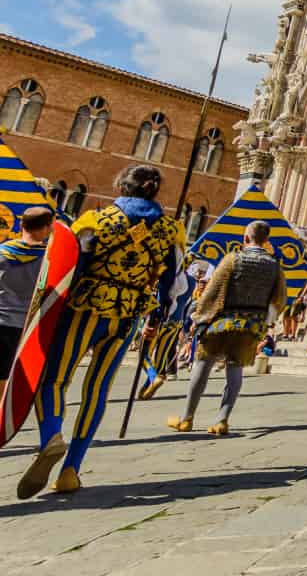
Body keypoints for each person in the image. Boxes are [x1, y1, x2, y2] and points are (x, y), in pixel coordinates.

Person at [16, 164, 182, 498]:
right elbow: (173, 282)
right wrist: (158, 319)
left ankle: (51, 436)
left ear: (122, 186)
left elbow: (72, 265)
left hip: (85, 308)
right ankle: (71, 471)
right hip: (129, 313)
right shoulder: (172, 229)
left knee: (56, 379)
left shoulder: (96, 220)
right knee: (98, 388)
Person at [168, 220, 288, 436]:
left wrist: (199, 315)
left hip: (221, 322)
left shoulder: (233, 259)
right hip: (250, 326)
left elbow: (213, 290)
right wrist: (266, 320)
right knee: (235, 370)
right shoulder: (274, 266)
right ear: (266, 240)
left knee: (202, 365)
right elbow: (278, 299)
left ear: (246, 238)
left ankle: (187, 418)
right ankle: (222, 420)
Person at [0, 206, 57, 377]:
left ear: (21, 224)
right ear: (47, 228)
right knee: (20, 380)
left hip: (1, 322)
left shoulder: (2, 253)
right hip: (30, 328)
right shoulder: (50, 259)